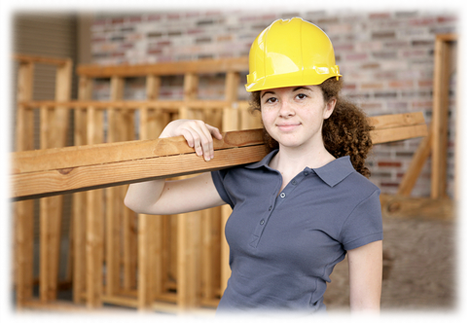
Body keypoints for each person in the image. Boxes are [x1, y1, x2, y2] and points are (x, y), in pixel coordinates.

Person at [125, 17, 383, 323]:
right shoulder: (243, 174)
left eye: (301, 95)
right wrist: (168, 133)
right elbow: (142, 201)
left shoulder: (357, 195)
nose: (285, 110)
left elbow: (365, 310)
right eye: (271, 98)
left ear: (328, 105)